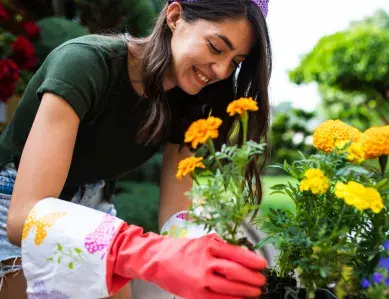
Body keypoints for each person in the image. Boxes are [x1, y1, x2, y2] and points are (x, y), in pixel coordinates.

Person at [0, 0, 272, 298]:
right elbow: (23, 217)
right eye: (216, 47)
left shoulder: (189, 99)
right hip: (15, 200)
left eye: (235, 62)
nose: (221, 70)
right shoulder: (84, 64)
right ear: (175, 16)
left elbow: (176, 213)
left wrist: (205, 254)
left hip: (93, 203)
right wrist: (144, 253)